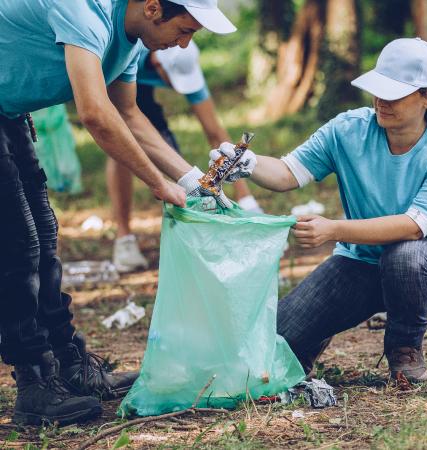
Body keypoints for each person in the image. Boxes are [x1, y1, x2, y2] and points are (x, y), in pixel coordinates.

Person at [0, 0, 237, 425]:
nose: (183, 45)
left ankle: (70, 366)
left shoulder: (130, 40)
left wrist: (193, 181)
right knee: (19, 248)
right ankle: (34, 384)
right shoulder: (83, 12)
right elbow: (95, 112)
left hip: (8, 112)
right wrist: (156, 184)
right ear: (152, 7)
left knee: (45, 239)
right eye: (184, 30)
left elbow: (129, 113)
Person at [213, 38, 427, 382]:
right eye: (378, 89)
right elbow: (288, 173)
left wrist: (333, 230)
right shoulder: (348, 130)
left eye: (394, 94)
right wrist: (246, 162)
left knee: (405, 255)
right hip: (360, 264)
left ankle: (404, 349)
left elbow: (414, 226)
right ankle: (310, 342)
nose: (381, 101)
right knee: (275, 342)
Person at [108, 40, 262, 272]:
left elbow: (215, 132)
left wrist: (246, 199)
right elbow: (117, 123)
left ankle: (187, 235)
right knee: (122, 144)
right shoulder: (129, 52)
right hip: (122, 79)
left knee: (172, 156)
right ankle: (124, 239)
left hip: (144, 83)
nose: (179, 89)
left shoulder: (185, 61)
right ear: (158, 65)